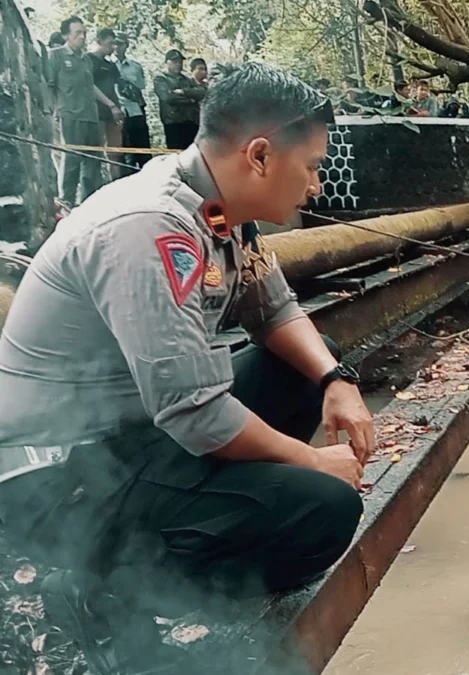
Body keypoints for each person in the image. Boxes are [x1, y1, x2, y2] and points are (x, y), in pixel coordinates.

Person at [0, 61, 372, 674]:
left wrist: (338, 382)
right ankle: (107, 590)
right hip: (58, 477)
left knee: (300, 373)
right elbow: (195, 411)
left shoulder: (214, 208)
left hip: (132, 434)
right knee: (323, 512)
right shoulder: (150, 227)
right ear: (258, 155)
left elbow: (270, 304)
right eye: (310, 167)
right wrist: (314, 462)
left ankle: (182, 521)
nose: (313, 186)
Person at [47, 16, 106, 206]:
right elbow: (49, 85)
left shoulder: (86, 59)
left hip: (91, 116)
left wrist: (111, 105)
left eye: (84, 33)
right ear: (66, 35)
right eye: (77, 33)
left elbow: (92, 86)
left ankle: (89, 202)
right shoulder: (55, 56)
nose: (82, 37)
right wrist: (52, 112)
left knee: (93, 160)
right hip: (69, 115)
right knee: (72, 159)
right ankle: (67, 201)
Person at [88, 28, 125, 177]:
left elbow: (117, 87)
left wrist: (118, 107)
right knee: (96, 153)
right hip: (97, 112)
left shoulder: (111, 65)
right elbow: (90, 85)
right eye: (110, 43)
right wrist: (110, 104)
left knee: (115, 153)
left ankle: (116, 181)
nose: (113, 47)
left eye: (115, 44)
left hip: (113, 114)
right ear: (99, 41)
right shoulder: (89, 60)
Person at [154, 49, 205, 149]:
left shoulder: (186, 80)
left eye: (180, 62)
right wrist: (190, 100)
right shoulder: (161, 79)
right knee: (175, 153)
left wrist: (184, 92)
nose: (178, 64)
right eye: (175, 62)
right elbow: (168, 98)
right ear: (167, 62)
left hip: (190, 121)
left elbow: (201, 93)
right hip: (173, 122)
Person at [114, 35, 149, 175]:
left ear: (126, 45)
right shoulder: (106, 65)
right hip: (117, 112)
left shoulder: (135, 66)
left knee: (143, 149)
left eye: (120, 44)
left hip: (135, 110)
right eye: (114, 44)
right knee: (124, 153)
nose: (117, 47)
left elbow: (141, 86)